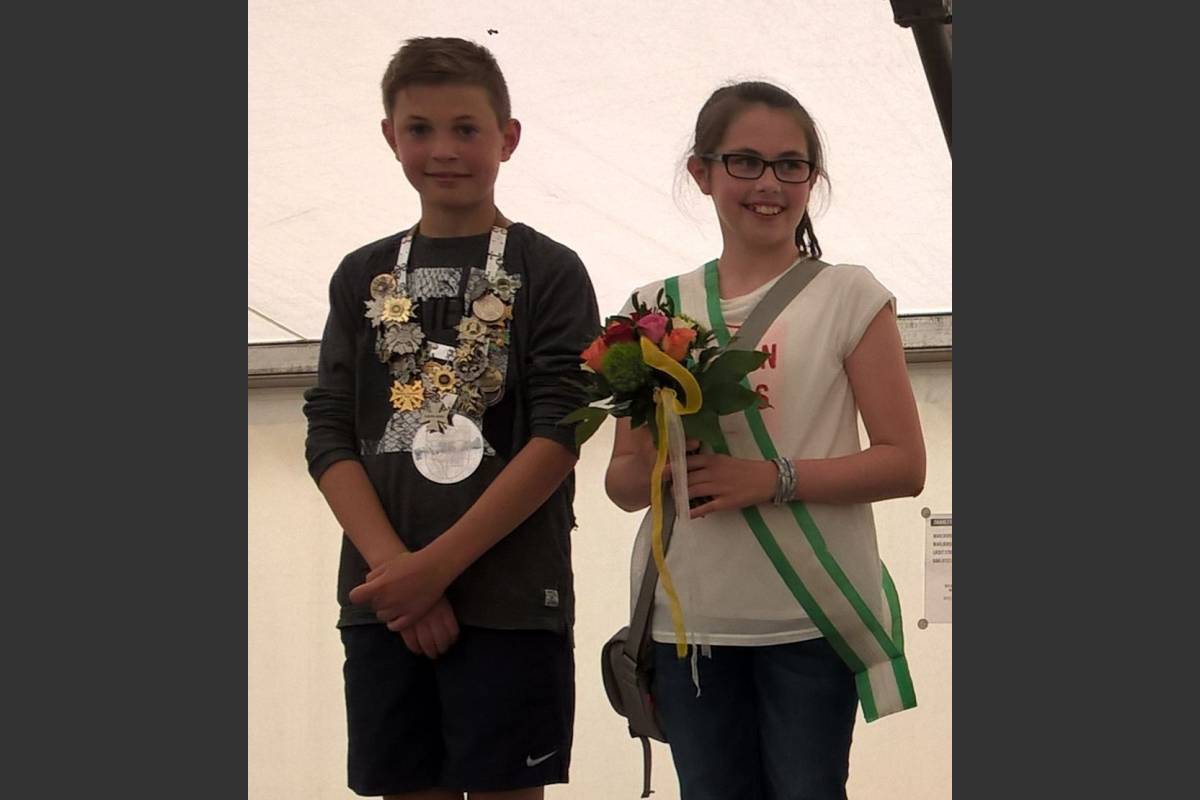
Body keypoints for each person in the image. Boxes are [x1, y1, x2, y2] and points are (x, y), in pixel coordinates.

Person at [604, 81, 927, 800]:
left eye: (791, 165)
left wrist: (771, 479)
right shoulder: (652, 309)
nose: (769, 184)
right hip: (688, 624)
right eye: (745, 162)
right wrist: (662, 465)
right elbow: (622, 484)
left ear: (813, 178)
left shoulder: (849, 295)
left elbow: (905, 465)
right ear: (703, 172)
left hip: (810, 616)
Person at [302, 36, 599, 800]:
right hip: (383, 602)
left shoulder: (549, 269)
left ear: (508, 137)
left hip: (510, 602)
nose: (443, 149)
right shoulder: (360, 274)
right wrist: (397, 577)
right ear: (390, 136)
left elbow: (560, 431)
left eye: (466, 128)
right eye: (420, 128)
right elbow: (329, 430)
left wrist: (434, 570)